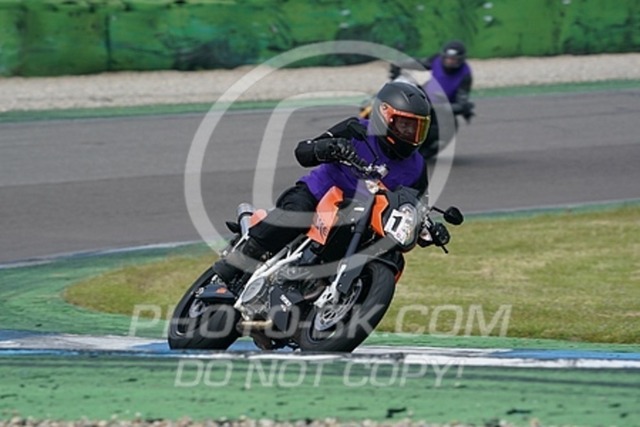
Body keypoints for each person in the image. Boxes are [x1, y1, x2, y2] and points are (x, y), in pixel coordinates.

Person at [211, 81, 448, 287]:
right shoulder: (356, 130)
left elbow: (415, 206)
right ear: (384, 115)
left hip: (365, 222)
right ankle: (233, 266)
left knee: (391, 253)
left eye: (418, 127)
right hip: (319, 195)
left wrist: (428, 228)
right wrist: (329, 147)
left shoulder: (417, 166)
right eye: (405, 124)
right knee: (297, 213)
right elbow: (304, 151)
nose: (411, 133)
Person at [389, 40, 475, 158]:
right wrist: (401, 63)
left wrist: (443, 107)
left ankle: (423, 149)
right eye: (448, 58)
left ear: (461, 60)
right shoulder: (436, 60)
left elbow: (462, 101)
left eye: (453, 59)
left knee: (436, 129)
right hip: (425, 95)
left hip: (443, 106)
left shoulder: (465, 74)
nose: (450, 61)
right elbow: (418, 63)